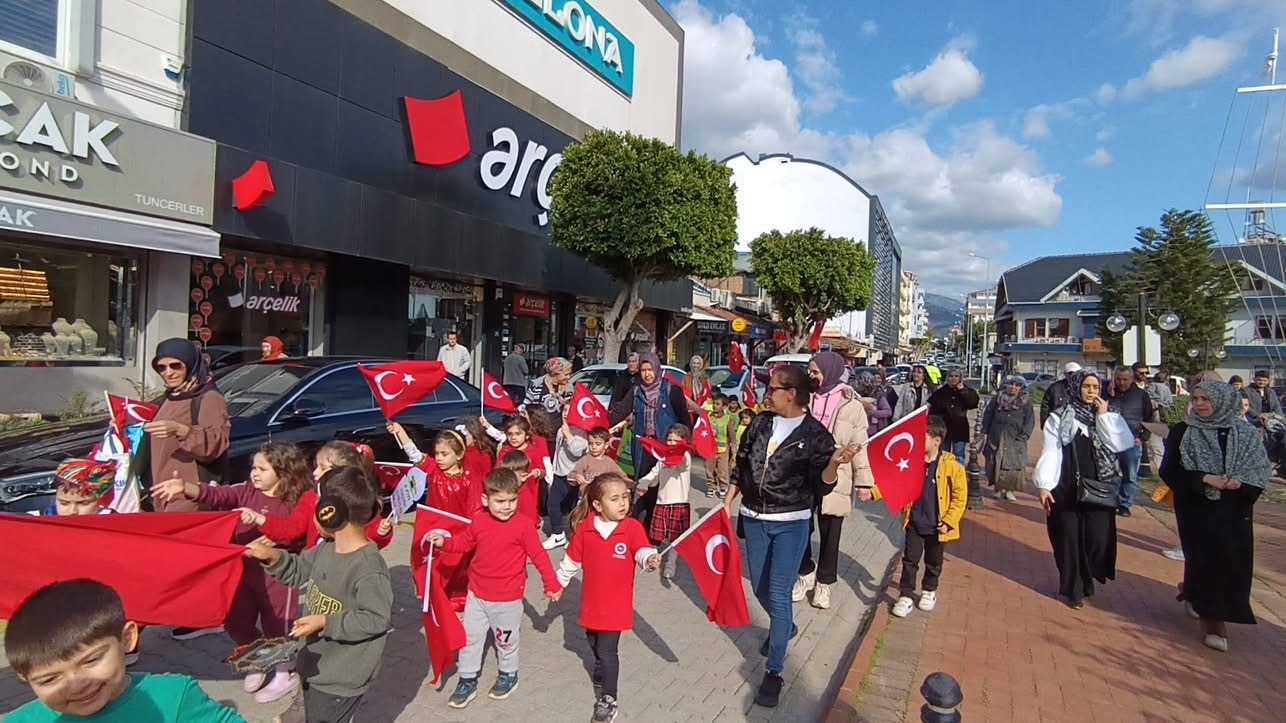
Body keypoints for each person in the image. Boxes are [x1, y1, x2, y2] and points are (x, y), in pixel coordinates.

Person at [723, 365, 856, 708]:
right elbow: (741, 463)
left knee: (780, 593)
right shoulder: (760, 422)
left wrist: (835, 464)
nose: (767, 393)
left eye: (773, 388)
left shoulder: (815, 435)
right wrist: (727, 502)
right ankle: (786, 627)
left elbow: (822, 484)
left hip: (791, 521)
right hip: (753, 517)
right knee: (759, 587)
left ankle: (774, 671)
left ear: (792, 394)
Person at [151, 442, 312, 703]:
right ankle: (259, 657)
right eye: (253, 467)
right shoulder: (247, 491)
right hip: (242, 570)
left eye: (262, 468)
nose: (254, 473)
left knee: (278, 625)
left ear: (284, 471)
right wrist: (185, 488)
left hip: (278, 574)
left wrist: (270, 533)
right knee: (236, 621)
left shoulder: (300, 499)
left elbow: (297, 532)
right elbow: (219, 495)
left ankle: (285, 674)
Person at [245, 466, 393, 722]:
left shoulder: (369, 568)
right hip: (315, 665)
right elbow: (299, 571)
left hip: (340, 679)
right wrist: (273, 557)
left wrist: (326, 621)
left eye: (317, 504)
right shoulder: (326, 550)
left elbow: (376, 619)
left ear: (331, 513)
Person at [4, 580, 243, 722]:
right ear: (24, 677)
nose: (76, 685)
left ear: (127, 638)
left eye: (91, 660)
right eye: (50, 679)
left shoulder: (174, 697)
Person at [426, 468, 562, 709]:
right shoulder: (479, 520)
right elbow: (464, 543)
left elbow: (540, 556)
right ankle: (467, 679)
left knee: (506, 641)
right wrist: (444, 543)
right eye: (500, 501)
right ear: (485, 500)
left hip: (507, 600)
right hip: (476, 595)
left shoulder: (523, 526)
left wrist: (552, 583)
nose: (506, 506)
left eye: (512, 500)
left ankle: (508, 675)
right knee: (469, 640)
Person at [1160, 381, 1271, 652]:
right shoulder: (1183, 431)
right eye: (1196, 398)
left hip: (1235, 509)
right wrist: (1205, 478)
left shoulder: (1244, 433)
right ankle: (1213, 623)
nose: (1199, 404)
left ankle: (1198, 595)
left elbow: (1260, 470)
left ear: (1222, 401)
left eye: (1206, 399)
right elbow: (1169, 471)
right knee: (1205, 558)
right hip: (1198, 507)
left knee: (1232, 562)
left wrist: (1241, 483)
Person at [557, 472, 661, 722]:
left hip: (617, 605)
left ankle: (609, 698)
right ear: (597, 505)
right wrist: (557, 583)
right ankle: (600, 666)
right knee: (592, 641)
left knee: (607, 650)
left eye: (625, 497)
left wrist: (650, 559)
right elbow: (572, 561)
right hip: (592, 603)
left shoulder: (632, 527)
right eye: (615, 499)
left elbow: (642, 551)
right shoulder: (586, 529)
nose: (623, 503)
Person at [1033, 371, 1135, 609]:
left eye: (1095, 386)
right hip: (1066, 487)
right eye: (1086, 386)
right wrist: (1044, 485)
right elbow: (1052, 451)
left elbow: (1121, 444)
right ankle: (1073, 589)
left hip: (1100, 488)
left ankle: (1087, 576)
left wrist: (1103, 417)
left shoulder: (1110, 416)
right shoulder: (1059, 417)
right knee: (1068, 539)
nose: (1091, 391)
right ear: (1076, 388)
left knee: (1098, 539)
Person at [794, 352, 872, 610]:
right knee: (800, 526)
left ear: (830, 372)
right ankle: (805, 572)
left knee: (830, 532)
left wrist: (864, 482)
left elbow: (859, 444)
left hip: (836, 473)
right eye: (810, 371)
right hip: (803, 472)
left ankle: (824, 584)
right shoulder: (804, 398)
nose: (811, 375)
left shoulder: (852, 405)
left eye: (815, 371)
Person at [242, 441, 394, 553]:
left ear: (342, 472)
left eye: (322, 468)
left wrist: (381, 533)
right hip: (319, 568)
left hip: (351, 569)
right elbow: (291, 529)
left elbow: (370, 539)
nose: (314, 473)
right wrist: (259, 518)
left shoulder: (360, 499)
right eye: (316, 466)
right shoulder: (311, 498)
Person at [889, 416, 968, 618]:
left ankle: (929, 590)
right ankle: (906, 595)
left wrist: (949, 520)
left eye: (922, 436)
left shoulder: (952, 467)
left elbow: (960, 498)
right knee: (910, 560)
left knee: (934, 561)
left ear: (936, 440)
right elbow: (894, 481)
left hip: (938, 525)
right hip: (914, 521)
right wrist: (872, 492)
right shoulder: (911, 462)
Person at [142, 338, 230, 515]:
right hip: (159, 491)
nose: (169, 373)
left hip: (188, 494)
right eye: (162, 367)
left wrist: (181, 430)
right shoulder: (169, 397)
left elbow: (215, 444)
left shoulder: (208, 397)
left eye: (176, 366)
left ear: (190, 365)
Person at [612, 353, 690, 528]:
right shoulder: (637, 391)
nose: (647, 374)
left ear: (657, 369)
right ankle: (643, 530)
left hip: (665, 448)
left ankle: (657, 531)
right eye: (643, 370)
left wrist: (684, 445)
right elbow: (620, 412)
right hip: (643, 448)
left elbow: (685, 419)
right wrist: (600, 424)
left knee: (662, 490)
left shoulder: (671, 390)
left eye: (650, 370)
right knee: (644, 487)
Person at [635, 424, 693, 580]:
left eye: (676, 441)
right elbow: (653, 476)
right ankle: (653, 559)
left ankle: (671, 563)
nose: (671, 443)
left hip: (679, 503)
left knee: (676, 538)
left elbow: (683, 463)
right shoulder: (661, 460)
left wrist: (677, 453)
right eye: (669, 440)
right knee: (656, 536)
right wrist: (643, 483)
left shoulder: (685, 456)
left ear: (684, 442)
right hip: (662, 502)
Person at [487, 416, 550, 524]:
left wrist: (538, 472)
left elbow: (544, 471)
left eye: (518, 434)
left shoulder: (533, 451)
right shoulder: (505, 451)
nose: (513, 437)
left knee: (527, 519)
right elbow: (497, 471)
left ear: (526, 435)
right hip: (509, 492)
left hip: (529, 493)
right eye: (510, 434)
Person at [981, 375, 1035, 501]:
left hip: (1016, 439)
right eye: (1010, 384)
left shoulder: (1026, 402)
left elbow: (1030, 420)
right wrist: (985, 432)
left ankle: (1010, 490)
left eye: (1017, 385)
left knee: (1013, 465)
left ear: (1021, 388)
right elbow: (988, 415)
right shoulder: (997, 399)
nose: (1013, 387)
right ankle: (998, 489)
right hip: (996, 436)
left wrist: (1024, 434)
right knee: (995, 462)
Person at [1105, 367, 1150, 517]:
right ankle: (1109, 500)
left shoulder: (1141, 395)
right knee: (1107, 472)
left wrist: (1142, 438)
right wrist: (1108, 395)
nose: (1122, 382)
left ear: (1131, 379)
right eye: (1118, 379)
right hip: (1110, 440)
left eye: (1125, 379)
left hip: (1132, 440)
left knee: (1130, 475)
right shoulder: (1108, 393)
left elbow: (1149, 419)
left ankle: (1124, 504)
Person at [544, 417, 590, 550]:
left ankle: (575, 537)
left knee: (574, 509)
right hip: (559, 473)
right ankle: (557, 534)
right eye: (564, 411)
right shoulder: (561, 429)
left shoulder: (582, 432)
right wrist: (552, 469)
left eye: (569, 412)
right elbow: (558, 452)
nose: (565, 415)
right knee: (553, 504)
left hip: (574, 476)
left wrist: (569, 435)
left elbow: (577, 451)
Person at [927, 369, 980, 461]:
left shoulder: (967, 390)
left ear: (960, 378)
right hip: (944, 428)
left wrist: (962, 391)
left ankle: (958, 474)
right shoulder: (941, 392)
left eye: (956, 376)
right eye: (951, 376)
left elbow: (972, 403)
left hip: (959, 428)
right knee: (942, 455)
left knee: (958, 456)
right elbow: (932, 408)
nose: (953, 378)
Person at [51, 459, 117, 516]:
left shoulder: (119, 526)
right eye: (64, 503)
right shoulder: (47, 523)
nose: (72, 511)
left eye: (84, 503)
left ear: (103, 501)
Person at [706, 394, 737, 499]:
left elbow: (732, 434)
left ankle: (723, 487)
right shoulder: (708, 417)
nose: (715, 406)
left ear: (724, 406)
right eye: (714, 403)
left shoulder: (728, 419)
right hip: (710, 448)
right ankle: (711, 486)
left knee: (722, 469)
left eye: (718, 404)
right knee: (709, 468)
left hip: (723, 449)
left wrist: (733, 446)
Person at [1040, 362, 1082, 427]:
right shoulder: (1054, 388)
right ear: (1065, 374)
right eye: (1070, 373)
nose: (1073, 375)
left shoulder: (1084, 388)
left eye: (1077, 373)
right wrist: (1045, 424)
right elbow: (1045, 407)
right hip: (1056, 426)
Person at [852, 370, 893, 435]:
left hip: (876, 431)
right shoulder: (857, 396)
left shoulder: (878, 395)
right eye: (863, 385)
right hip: (860, 430)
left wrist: (874, 413)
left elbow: (888, 412)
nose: (864, 388)